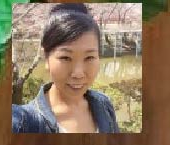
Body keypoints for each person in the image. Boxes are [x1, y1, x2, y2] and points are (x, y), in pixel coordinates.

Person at [12, 3, 121, 134]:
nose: (78, 74)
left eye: (89, 57)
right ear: (46, 57)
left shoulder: (104, 104)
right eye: (65, 58)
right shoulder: (22, 123)